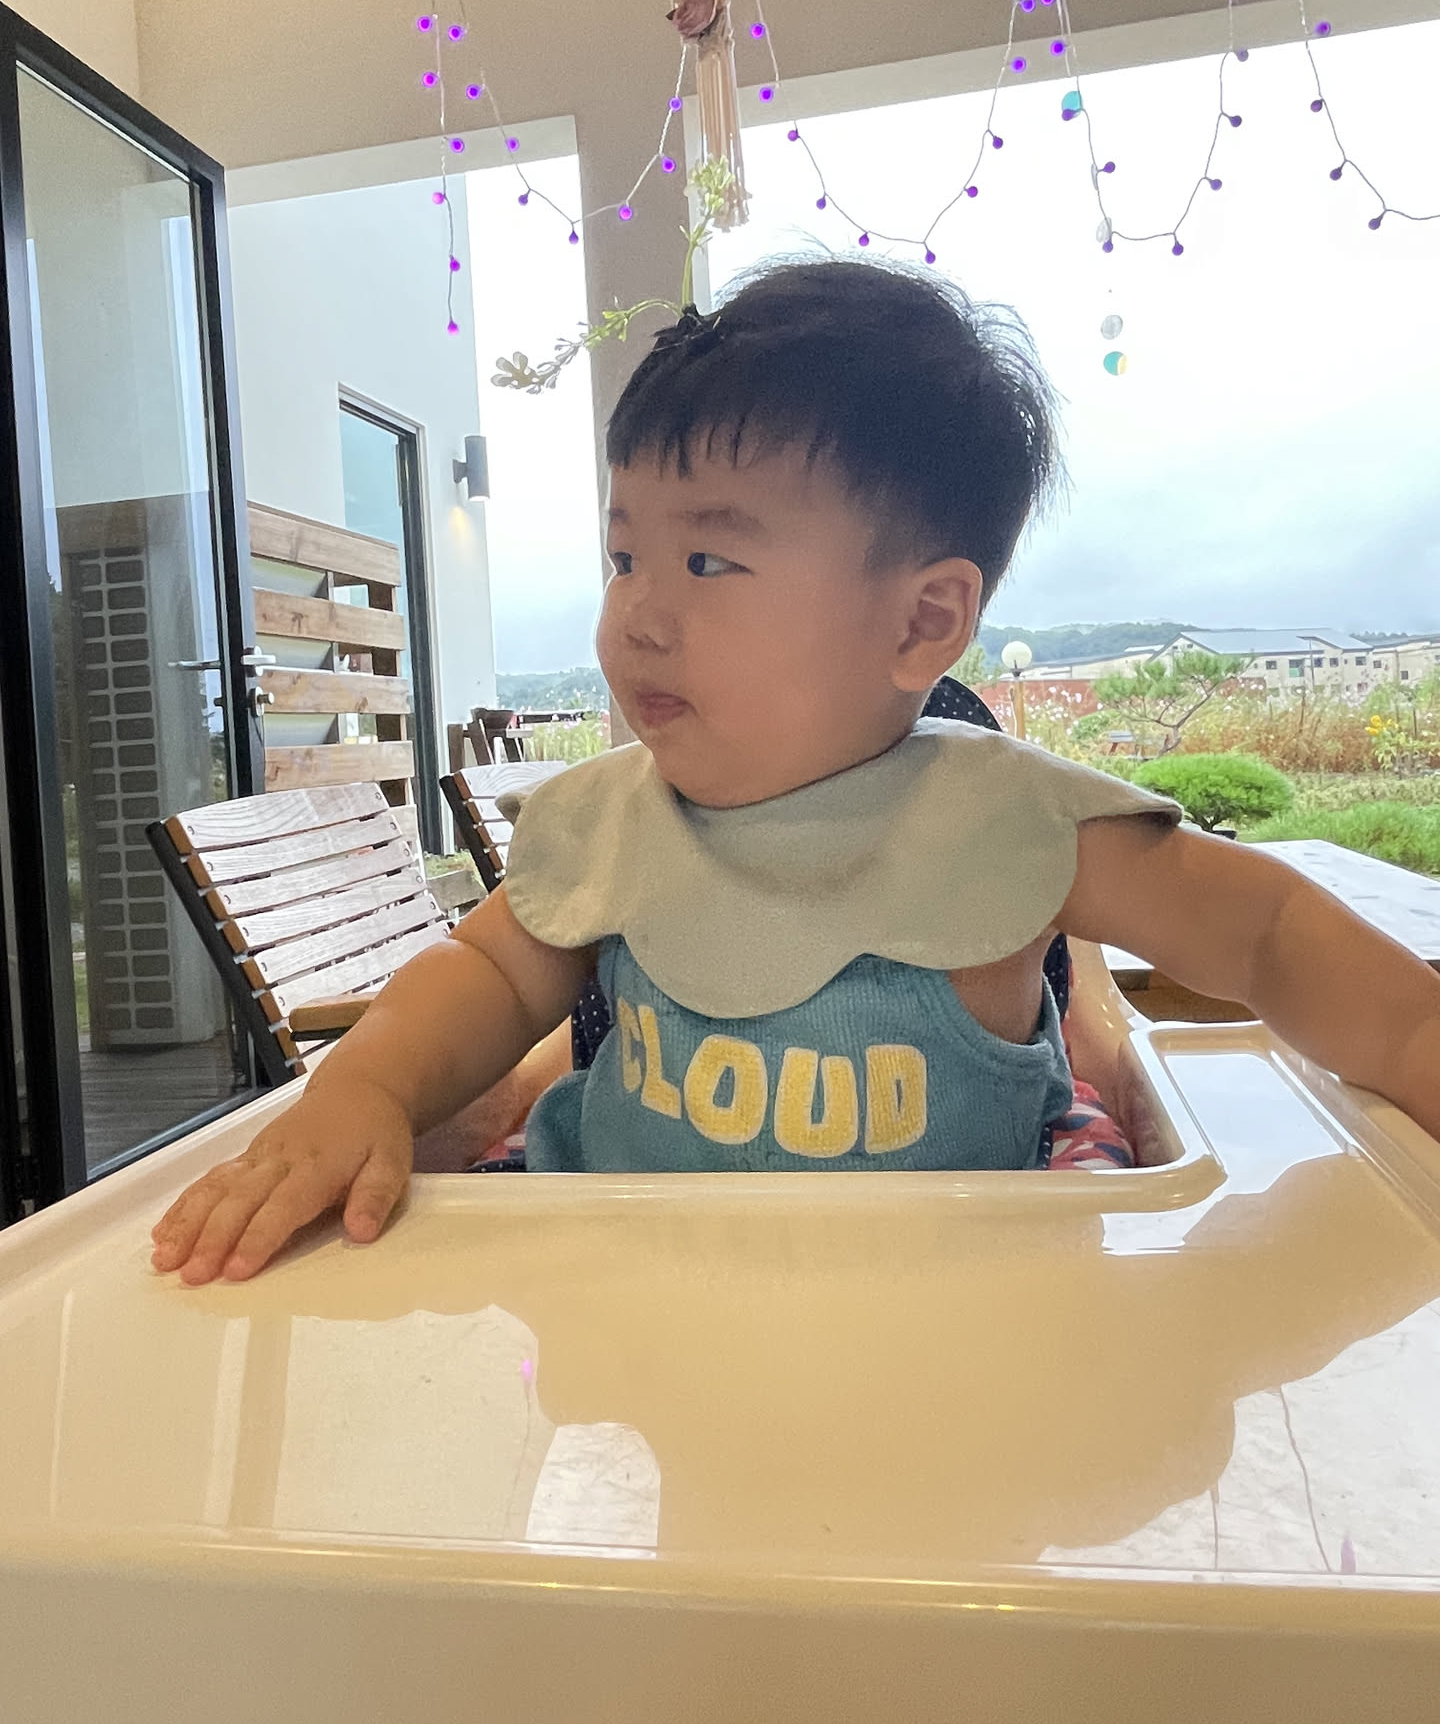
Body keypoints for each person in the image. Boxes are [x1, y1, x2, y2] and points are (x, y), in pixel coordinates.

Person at [152, 257, 1440, 1284]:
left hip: (957, 1318)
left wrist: (1420, 1040)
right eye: (623, 558)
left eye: (708, 562)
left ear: (922, 623)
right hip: (634, 1299)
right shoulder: (607, 823)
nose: (638, 614)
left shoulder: (1013, 819)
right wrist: (368, 1086)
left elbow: (1267, 933)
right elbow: (483, 974)